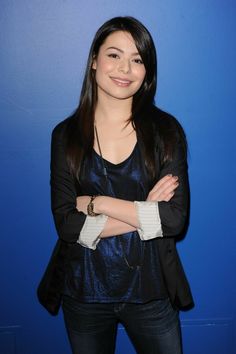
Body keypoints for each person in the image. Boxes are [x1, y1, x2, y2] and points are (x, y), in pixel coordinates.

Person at [49, 16, 193, 354]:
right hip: (84, 291)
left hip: (151, 290)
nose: (125, 68)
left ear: (146, 71)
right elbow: (67, 224)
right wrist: (145, 213)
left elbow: (174, 220)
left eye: (137, 59)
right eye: (114, 55)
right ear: (95, 61)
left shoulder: (166, 132)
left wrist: (98, 203)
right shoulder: (65, 135)